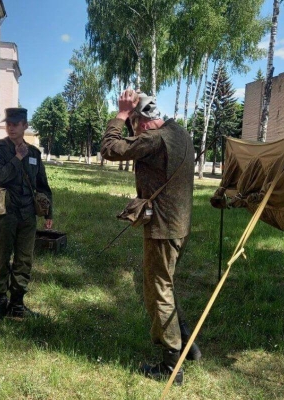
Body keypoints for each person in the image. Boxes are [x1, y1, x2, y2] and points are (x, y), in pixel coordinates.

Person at [100, 90, 201, 385]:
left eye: (133, 125)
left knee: (158, 290)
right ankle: (187, 344)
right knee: (166, 284)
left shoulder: (153, 139)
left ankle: (172, 365)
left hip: (162, 228)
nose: (133, 131)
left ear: (140, 123)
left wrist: (120, 114)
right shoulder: (179, 132)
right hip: (180, 225)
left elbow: (110, 148)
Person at [0, 107, 53, 321]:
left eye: (16, 124)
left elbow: (42, 183)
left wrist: (48, 212)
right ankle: (0, 301)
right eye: (8, 124)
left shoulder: (34, 153)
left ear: (25, 125)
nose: (11, 127)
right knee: (3, 256)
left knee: (24, 259)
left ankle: (17, 302)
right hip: (5, 212)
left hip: (27, 214)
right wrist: (17, 158)